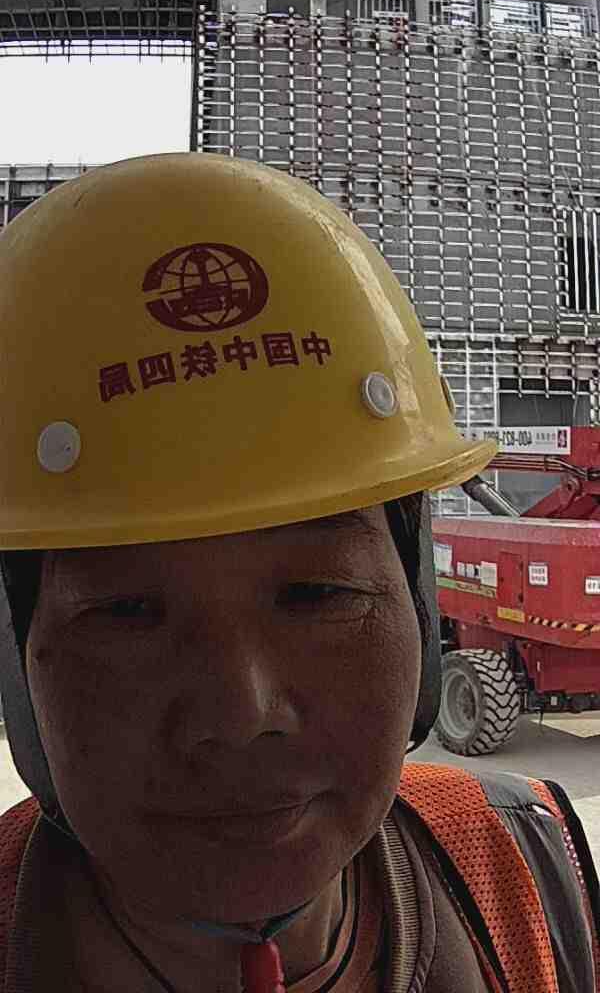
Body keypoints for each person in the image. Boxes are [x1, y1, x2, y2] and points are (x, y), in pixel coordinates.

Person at [0, 153, 596, 993]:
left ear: (415, 599)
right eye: (127, 611)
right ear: (17, 655)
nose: (240, 714)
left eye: (316, 595)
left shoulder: (524, 864)